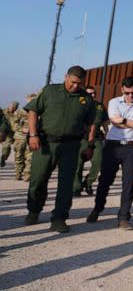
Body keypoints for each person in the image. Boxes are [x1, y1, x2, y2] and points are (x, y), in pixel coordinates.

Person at [24, 66, 97, 233]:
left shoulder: (86, 99)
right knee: (38, 178)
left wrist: (90, 145)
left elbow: (91, 124)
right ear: (66, 77)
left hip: (71, 145)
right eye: (73, 82)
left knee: (66, 184)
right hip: (46, 143)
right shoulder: (50, 91)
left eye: (79, 83)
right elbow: (33, 111)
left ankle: (59, 218)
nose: (75, 86)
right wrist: (33, 135)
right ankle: (33, 210)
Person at [86, 77, 133, 230]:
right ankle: (97, 208)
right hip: (112, 147)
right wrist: (130, 123)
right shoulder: (114, 102)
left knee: (128, 184)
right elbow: (114, 121)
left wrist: (124, 120)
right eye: (127, 93)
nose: (130, 96)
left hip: (132, 147)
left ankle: (123, 217)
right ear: (122, 90)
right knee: (105, 181)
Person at [73, 86, 108, 196]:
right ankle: (76, 187)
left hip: (96, 139)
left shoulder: (100, 107)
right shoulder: (78, 104)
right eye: (89, 93)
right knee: (77, 165)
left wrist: (108, 135)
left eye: (94, 93)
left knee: (98, 163)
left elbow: (105, 122)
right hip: (79, 139)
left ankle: (88, 183)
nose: (92, 95)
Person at [8, 96, 36, 181]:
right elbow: (13, 123)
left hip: (31, 137)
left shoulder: (38, 111)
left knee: (30, 157)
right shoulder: (20, 111)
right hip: (20, 137)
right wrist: (21, 129)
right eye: (31, 100)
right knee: (19, 156)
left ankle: (27, 175)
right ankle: (18, 173)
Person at [1, 101, 19, 167]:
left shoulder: (17, 114)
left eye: (14, 107)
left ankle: (3, 158)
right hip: (3, 132)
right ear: (9, 106)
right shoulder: (3, 112)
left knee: (8, 148)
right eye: (12, 106)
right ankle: (3, 158)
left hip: (11, 133)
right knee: (6, 146)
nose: (13, 108)